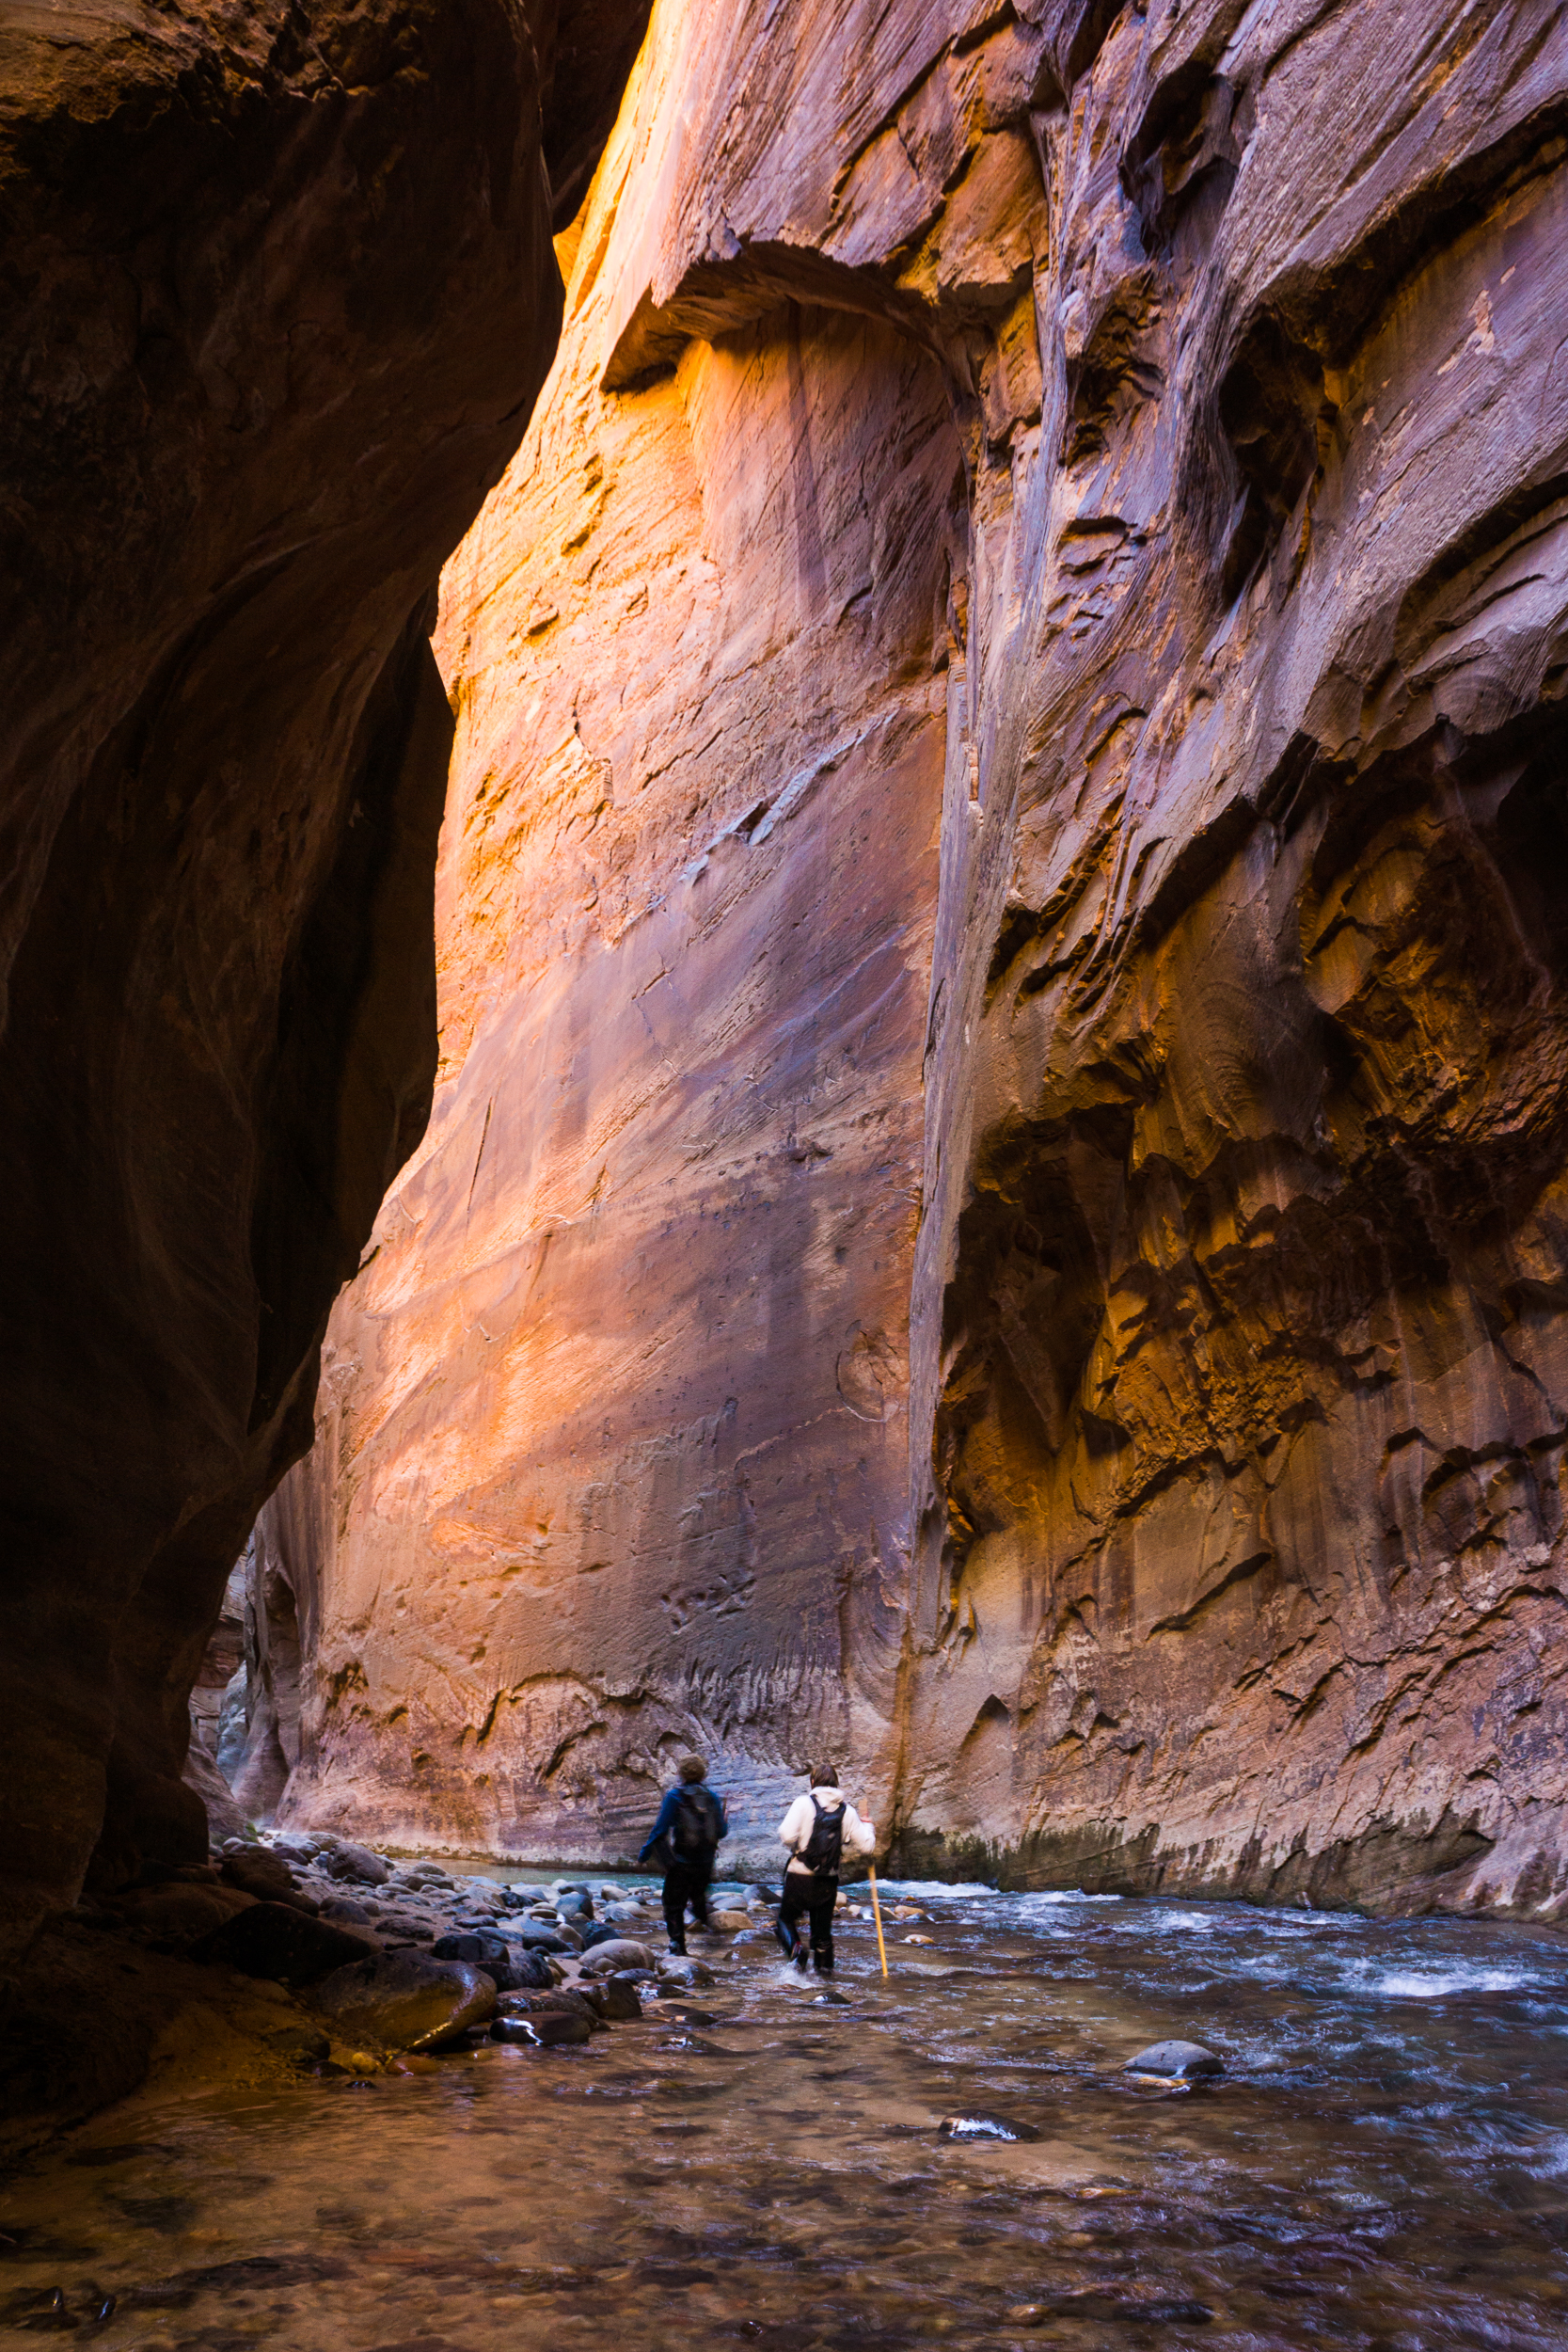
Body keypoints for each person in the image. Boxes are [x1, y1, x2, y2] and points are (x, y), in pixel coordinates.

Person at [774, 1763, 875, 1974]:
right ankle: (825, 1979)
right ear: (836, 1784)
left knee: (785, 1920)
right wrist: (867, 1823)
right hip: (827, 1882)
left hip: (799, 1878)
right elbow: (867, 1846)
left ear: (813, 1782)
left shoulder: (803, 1803)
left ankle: (796, 1950)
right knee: (822, 1936)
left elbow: (786, 1836)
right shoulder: (847, 1811)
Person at [639, 1753, 728, 1955]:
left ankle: (678, 1946)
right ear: (703, 1775)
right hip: (705, 1864)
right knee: (698, 1898)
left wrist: (645, 1854)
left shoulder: (675, 1796)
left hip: (681, 1863)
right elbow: (721, 1832)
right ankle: (707, 1930)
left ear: (681, 1774)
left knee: (673, 1905)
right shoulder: (712, 1797)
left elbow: (660, 1829)